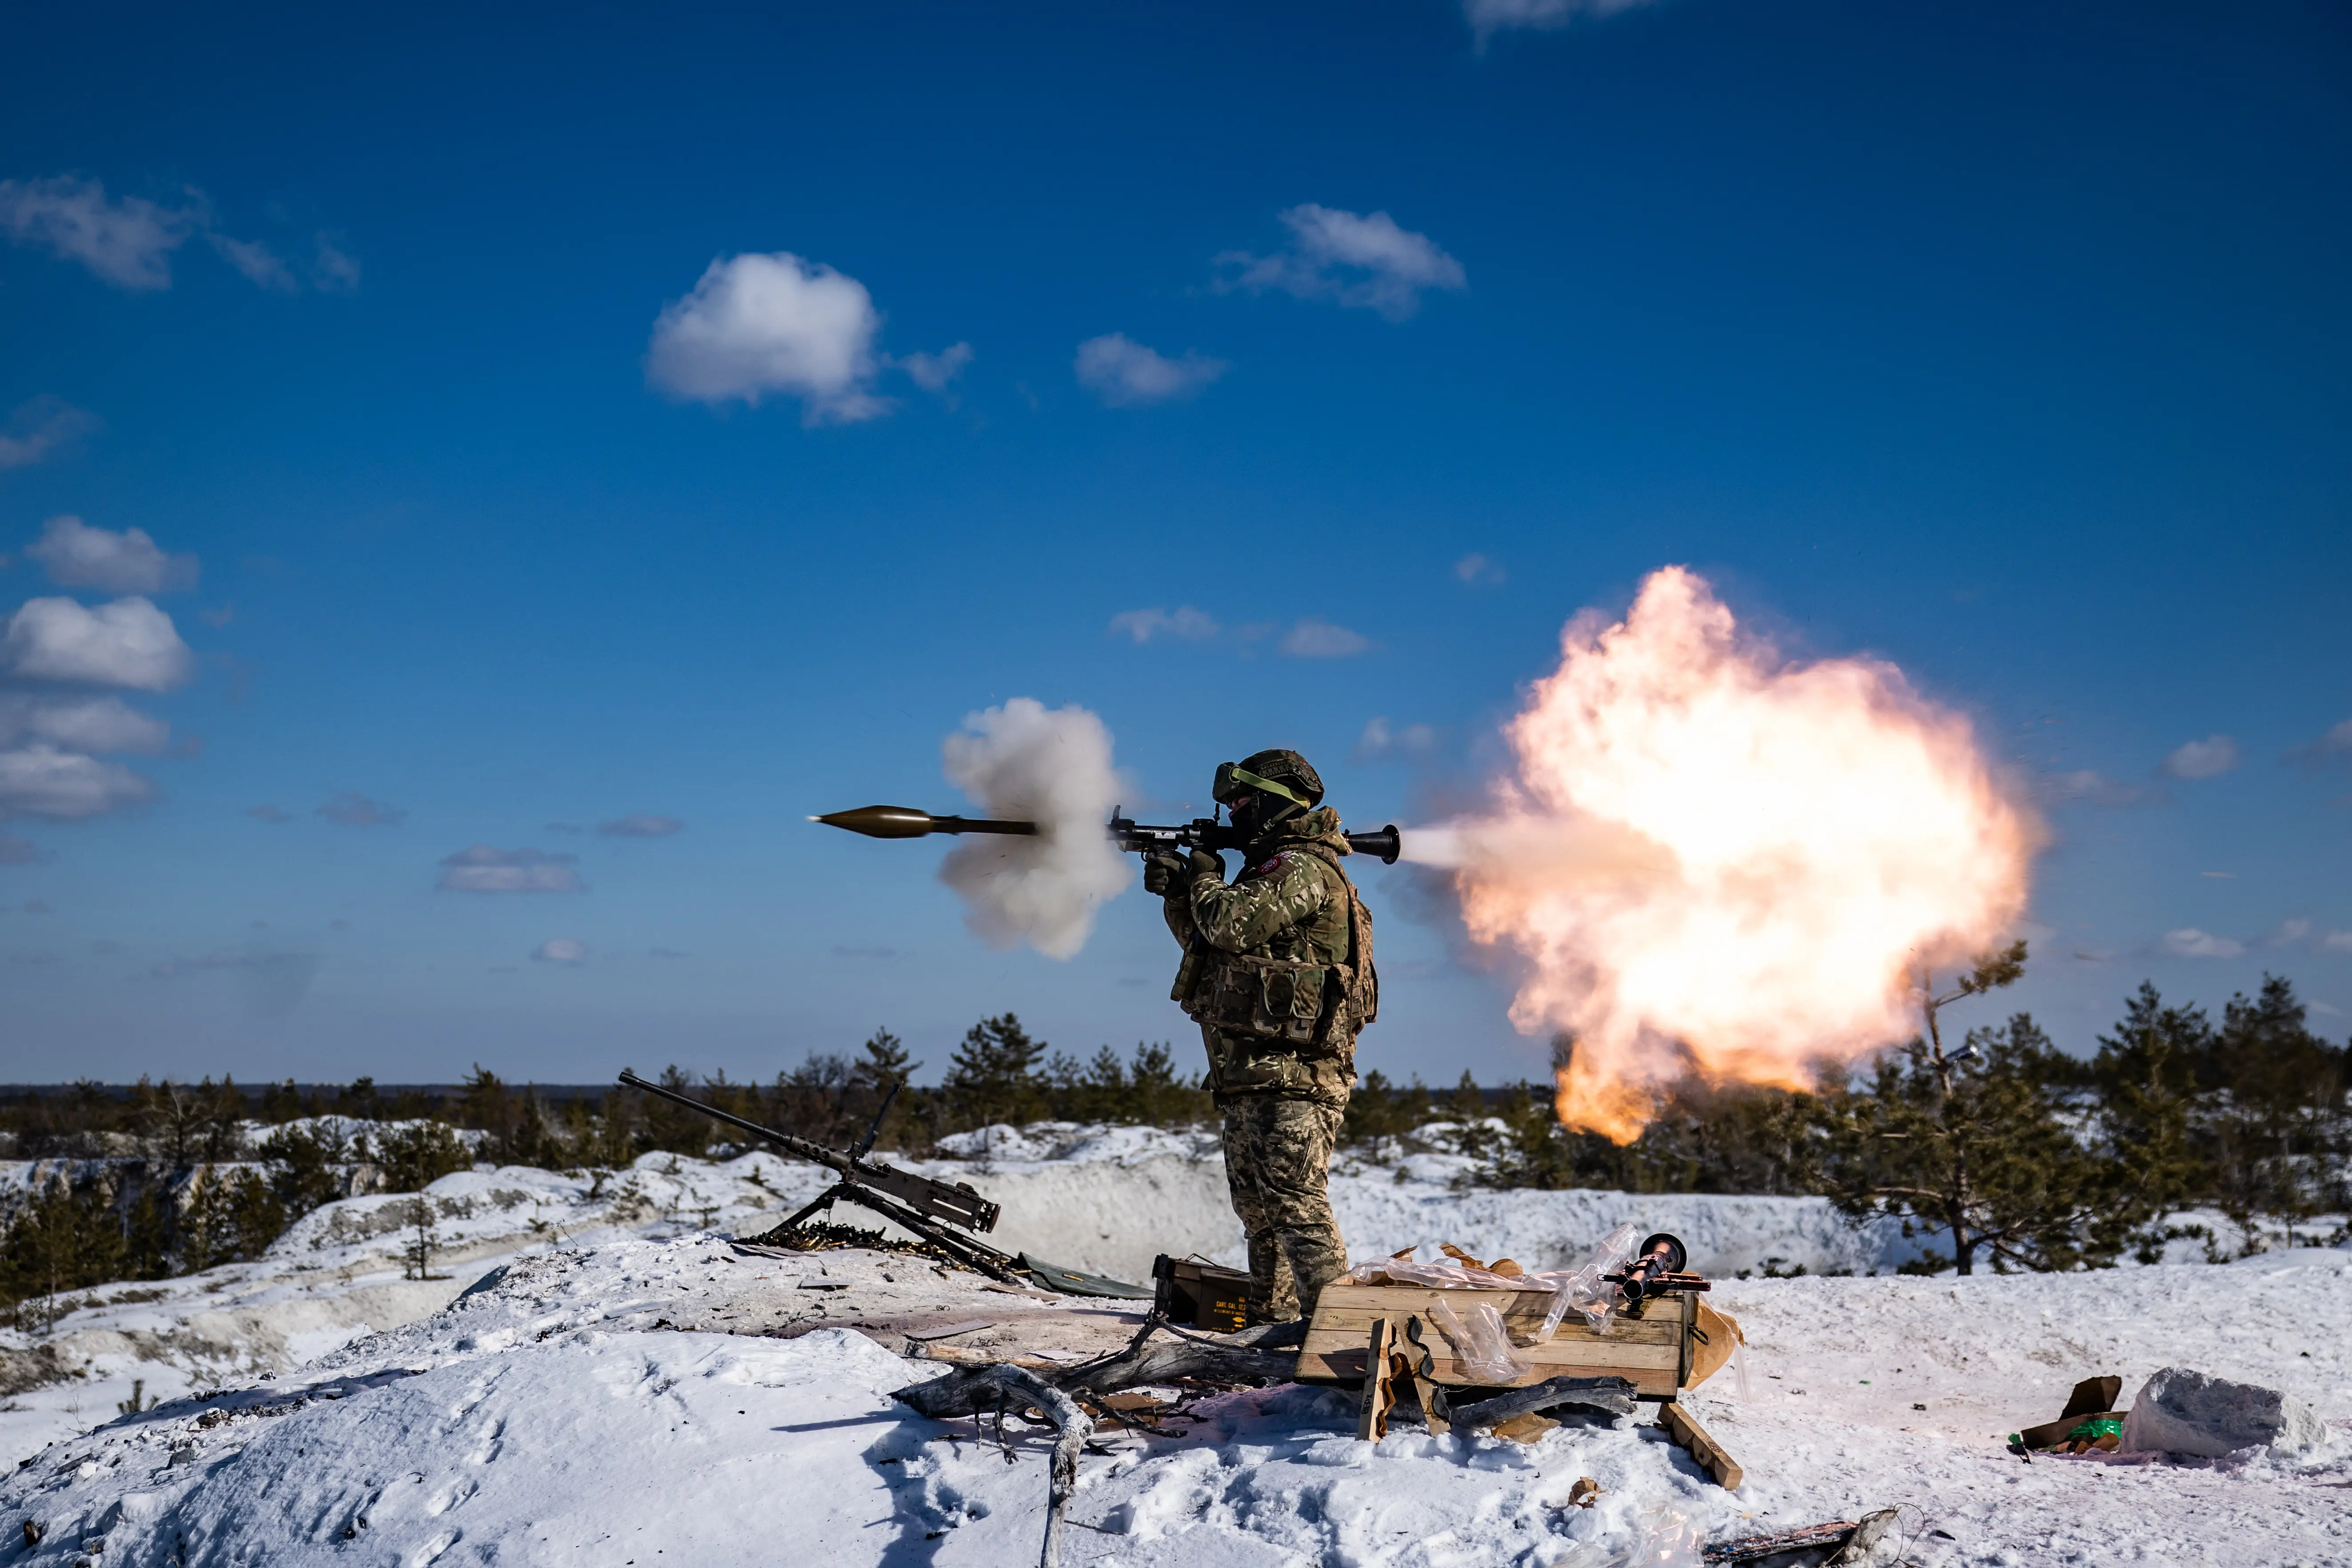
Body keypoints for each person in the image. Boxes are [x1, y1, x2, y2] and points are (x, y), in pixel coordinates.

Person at [1144, 749, 1378, 1324]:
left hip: (1295, 1077)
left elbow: (1226, 922)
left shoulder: (1300, 869)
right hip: (1256, 1075)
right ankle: (1276, 1327)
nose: (1231, 812)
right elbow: (1214, 950)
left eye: (1241, 802)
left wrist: (1201, 874)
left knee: (1297, 1208)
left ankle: (1338, 1342)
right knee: (1260, 1212)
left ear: (1273, 802)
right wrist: (1179, 893)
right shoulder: (1268, 873)